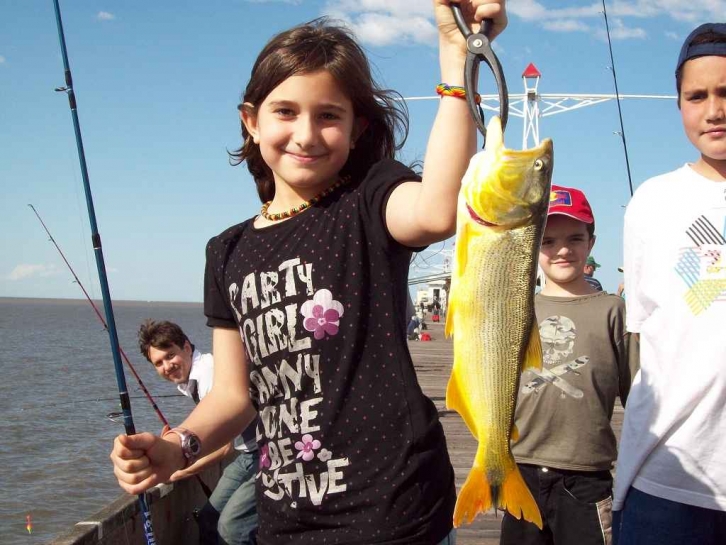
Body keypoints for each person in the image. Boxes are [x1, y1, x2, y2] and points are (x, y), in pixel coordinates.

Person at [110, 3, 509, 544]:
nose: (306, 133)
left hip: (397, 511)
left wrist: (457, 58)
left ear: (355, 126)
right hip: (287, 520)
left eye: (328, 115)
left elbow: (438, 211)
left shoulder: (369, 200)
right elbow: (232, 394)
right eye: (285, 112)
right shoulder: (225, 251)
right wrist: (177, 445)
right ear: (250, 121)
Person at [612, 23, 726, 545]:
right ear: (678, 103)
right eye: (696, 96)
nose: (713, 109)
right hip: (667, 480)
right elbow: (646, 329)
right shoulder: (652, 203)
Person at [500, 184, 639, 545]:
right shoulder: (516, 308)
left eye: (575, 238)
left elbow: (638, 395)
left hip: (587, 478)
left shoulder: (614, 311)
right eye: (548, 241)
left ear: (591, 243)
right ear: (533, 246)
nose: (562, 250)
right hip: (520, 470)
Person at [138, 320, 259, 545]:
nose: (167, 366)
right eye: (158, 363)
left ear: (186, 347)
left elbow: (224, 446)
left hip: (267, 454)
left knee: (232, 528)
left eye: (170, 355)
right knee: (208, 518)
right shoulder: (193, 377)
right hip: (248, 455)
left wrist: (181, 468)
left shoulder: (207, 375)